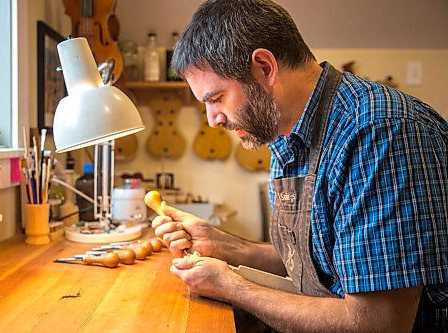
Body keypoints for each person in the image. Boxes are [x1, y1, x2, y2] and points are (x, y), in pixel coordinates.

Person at [152, 0, 447, 331]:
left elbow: (379, 324)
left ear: (264, 67)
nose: (213, 120)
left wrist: (232, 287)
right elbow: (315, 262)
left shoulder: (379, 132)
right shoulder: (286, 134)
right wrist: (226, 245)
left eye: (216, 98)